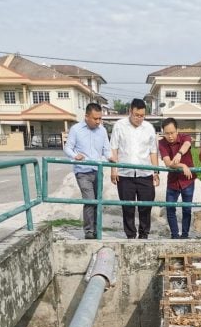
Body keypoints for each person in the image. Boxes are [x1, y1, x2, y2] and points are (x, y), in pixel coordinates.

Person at [110, 98, 159, 239]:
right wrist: (114, 170)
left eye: (142, 116)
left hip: (145, 173)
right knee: (128, 207)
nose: (139, 118)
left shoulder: (149, 128)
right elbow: (114, 148)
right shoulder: (119, 125)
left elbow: (153, 151)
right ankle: (130, 235)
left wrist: (156, 172)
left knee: (146, 206)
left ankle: (144, 235)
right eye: (137, 115)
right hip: (125, 174)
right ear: (130, 111)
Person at [64, 102, 111, 239]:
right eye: (95, 118)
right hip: (83, 171)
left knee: (98, 201)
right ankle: (89, 232)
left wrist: (110, 157)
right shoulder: (76, 129)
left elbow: (106, 150)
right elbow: (67, 148)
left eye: (100, 118)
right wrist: (75, 156)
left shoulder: (102, 130)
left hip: (98, 170)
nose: (98, 122)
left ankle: (97, 229)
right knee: (90, 200)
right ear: (86, 117)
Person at [158, 118, 196, 239]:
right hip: (173, 181)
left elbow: (187, 144)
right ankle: (175, 235)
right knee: (170, 208)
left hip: (187, 180)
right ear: (163, 132)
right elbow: (168, 163)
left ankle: (185, 235)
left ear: (177, 130)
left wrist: (179, 154)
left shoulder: (185, 137)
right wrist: (182, 165)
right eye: (167, 133)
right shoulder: (162, 143)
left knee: (186, 209)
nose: (170, 136)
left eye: (172, 132)